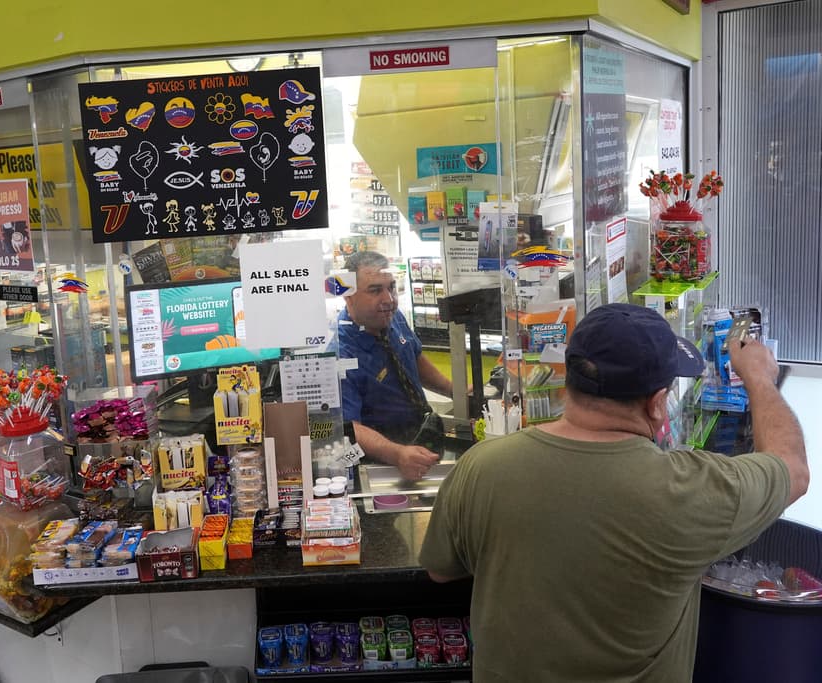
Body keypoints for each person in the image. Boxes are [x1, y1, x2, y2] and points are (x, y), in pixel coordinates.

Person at [420, 303, 808, 682]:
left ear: (569, 379)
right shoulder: (695, 490)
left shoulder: (483, 465)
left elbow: (440, 569)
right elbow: (792, 469)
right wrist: (759, 377)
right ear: (658, 404)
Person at [335, 250, 454, 481]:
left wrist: (455, 391)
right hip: (381, 460)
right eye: (375, 290)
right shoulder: (341, 352)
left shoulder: (391, 316)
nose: (388, 299)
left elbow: (414, 358)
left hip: (419, 438)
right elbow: (349, 426)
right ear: (348, 295)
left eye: (391, 287)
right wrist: (397, 454)